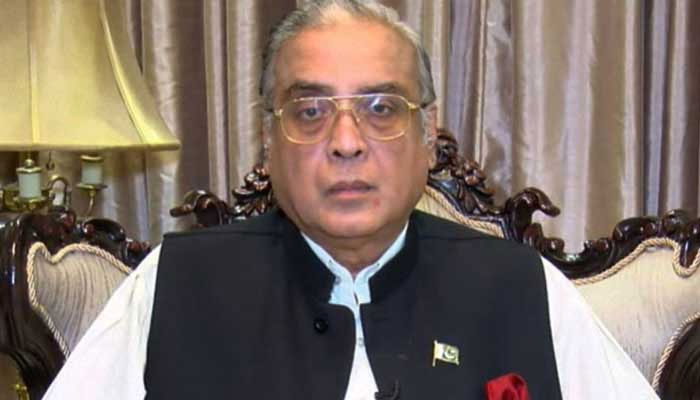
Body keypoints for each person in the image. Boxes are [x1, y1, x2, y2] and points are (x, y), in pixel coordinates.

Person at [44, 1, 659, 399]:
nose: (345, 142)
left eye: (382, 108)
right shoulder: (175, 285)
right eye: (310, 111)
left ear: (427, 136)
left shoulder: (522, 287)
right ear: (269, 142)